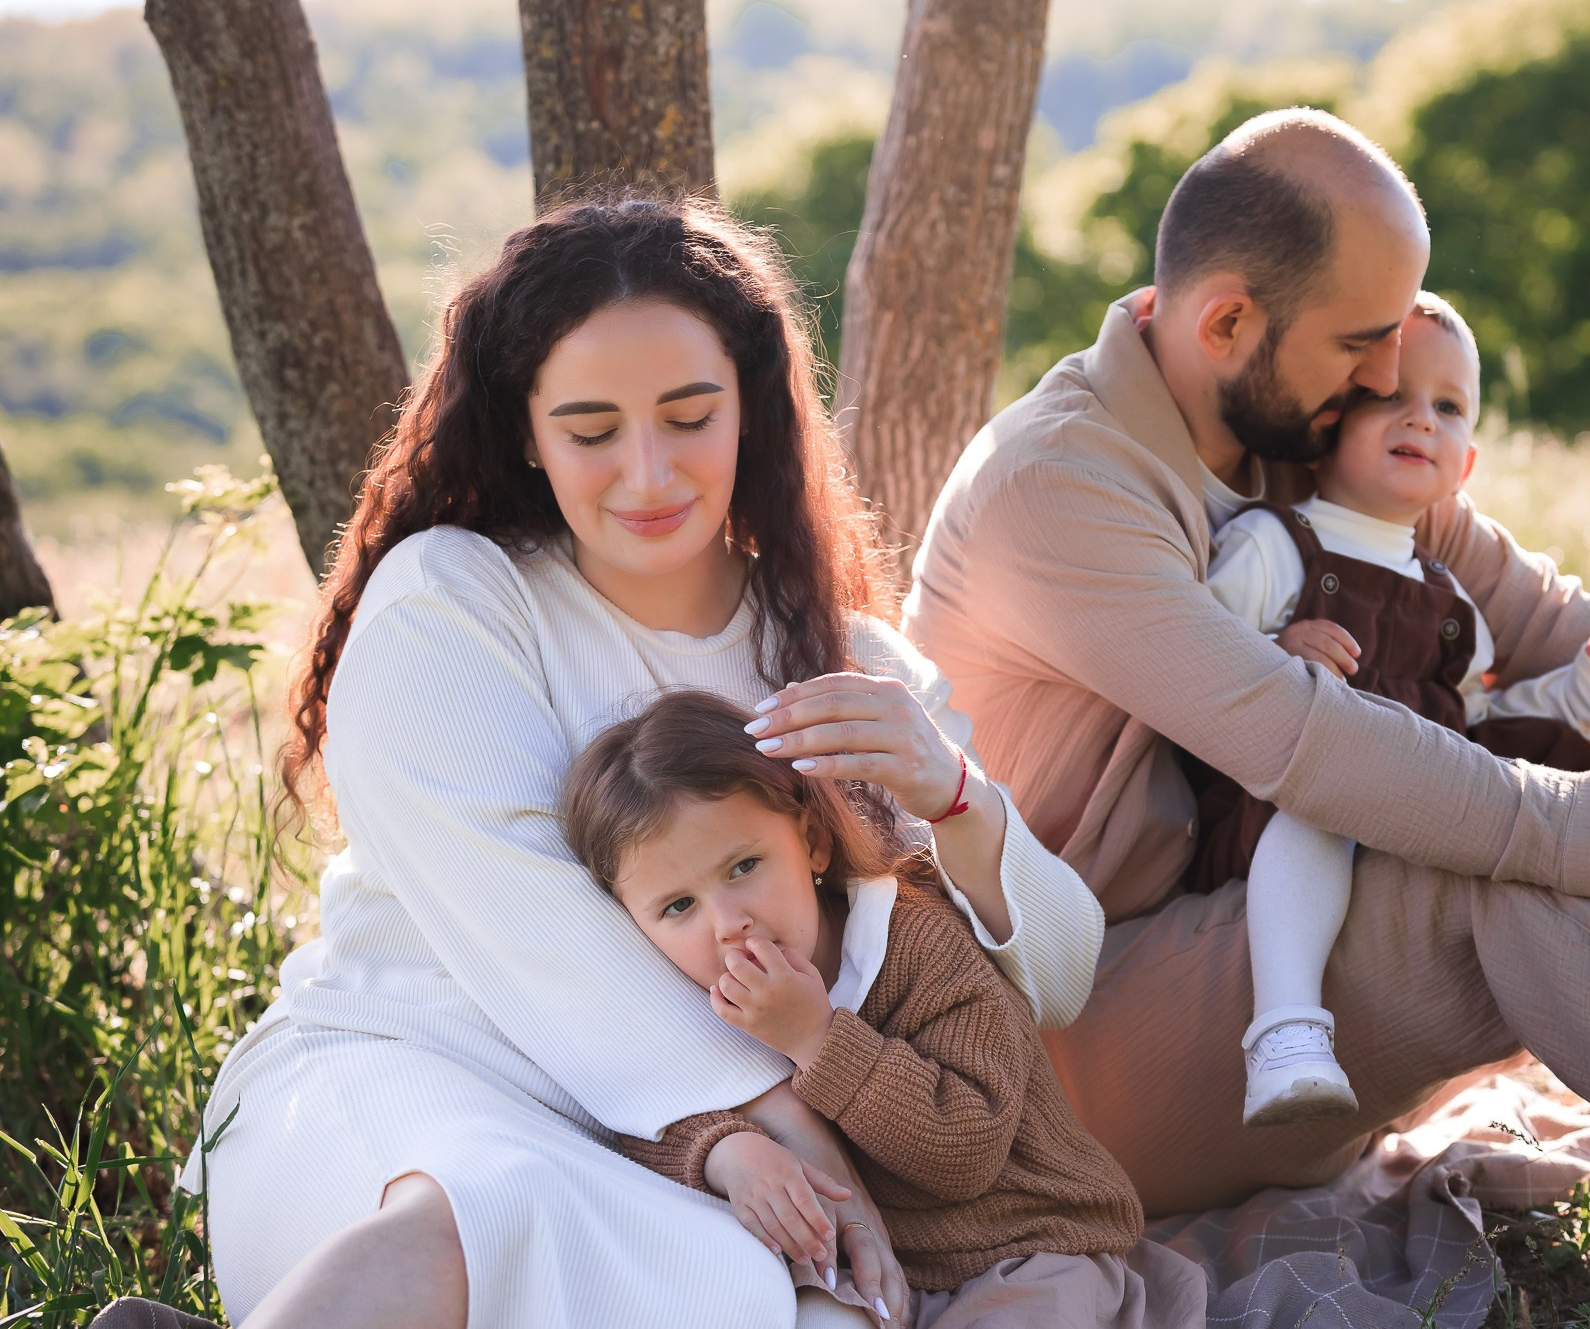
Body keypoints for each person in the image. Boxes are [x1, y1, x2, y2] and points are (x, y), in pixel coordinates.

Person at [903, 107, 1590, 1324]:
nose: (1384, 380)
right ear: (1226, 322)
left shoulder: (1290, 426)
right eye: (1361, 343)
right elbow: (1310, 745)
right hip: (1072, 1047)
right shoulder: (1058, 485)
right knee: (1501, 864)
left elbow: (1561, 622)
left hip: (1271, 960)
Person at [182, 193, 1107, 1329]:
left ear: (751, 413)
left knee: (791, 1309)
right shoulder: (453, 598)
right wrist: (794, 1143)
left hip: (662, 1146)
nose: (648, 472)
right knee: (493, 1202)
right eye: (590, 430)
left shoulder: (842, 665)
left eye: (687, 415)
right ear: (525, 431)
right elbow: (533, 930)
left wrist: (952, 796)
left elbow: (1060, 977)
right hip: (416, 1070)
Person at [559, 689, 1207, 1328]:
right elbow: (648, 1118)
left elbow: (966, 1148)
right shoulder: (691, 997)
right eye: (678, 906)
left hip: (1029, 1246)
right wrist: (724, 1149)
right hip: (885, 1277)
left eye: (744, 865)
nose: (729, 923)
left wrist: (817, 1038)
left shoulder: (916, 939)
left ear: (811, 841)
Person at [1200, 291, 1590, 1126]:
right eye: (1392, 395)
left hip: (1411, 829)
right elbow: (1190, 667)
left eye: (1446, 407)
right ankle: (1286, 1031)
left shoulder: (1451, 606)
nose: (1421, 419)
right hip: (1278, 815)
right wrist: (1274, 652)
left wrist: (1574, 698)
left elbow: (1475, 719)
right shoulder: (1275, 547)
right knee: (1330, 794)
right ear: (1328, 419)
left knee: (1515, 800)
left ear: (1466, 463)